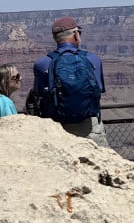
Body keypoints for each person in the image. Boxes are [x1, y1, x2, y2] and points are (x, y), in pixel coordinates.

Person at [32, 16, 107, 146]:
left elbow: (39, 95)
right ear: (75, 34)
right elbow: (99, 89)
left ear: (55, 37)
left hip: (57, 130)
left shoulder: (42, 64)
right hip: (89, 127)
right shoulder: (93, 59)